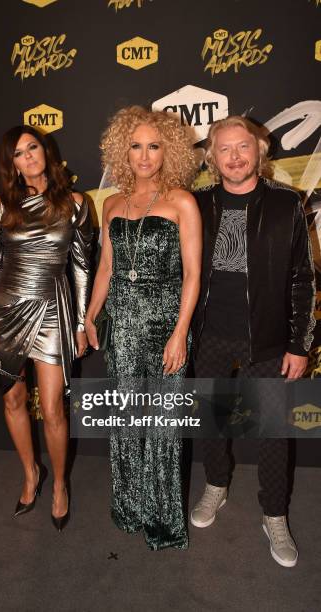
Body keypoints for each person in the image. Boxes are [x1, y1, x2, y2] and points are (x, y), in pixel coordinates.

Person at [191, 116, 316, 567]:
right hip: (208, 336)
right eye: (224, 149)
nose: (235, 157)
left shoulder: (286, 204)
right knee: (212, 420)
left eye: (243, 147)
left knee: (274, 431)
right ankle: (216, 486)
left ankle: (275, 514)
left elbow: (303, 279)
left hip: (268, 339)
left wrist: (300, 344)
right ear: (211, 157)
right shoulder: (196, 203)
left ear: (260, 151)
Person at [85, 106, 201, 550]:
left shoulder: (181, 201)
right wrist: (91, 317)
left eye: (154, 146)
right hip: (124, 323)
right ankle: (131, 505)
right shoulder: (112, 202)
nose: (145, 155)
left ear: (168, 151)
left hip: (167, 320)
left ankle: (164, 518)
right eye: (136, 146)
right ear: (123, 152)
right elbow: (106, 270)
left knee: (165, 423)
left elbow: (193, 275)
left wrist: (179, 331)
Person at [0, 125, 93, 531]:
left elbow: (81, 266)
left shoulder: (76, 203)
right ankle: (29, 474)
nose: (28, 157)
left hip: (54, 310)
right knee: (12, 400)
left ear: (46, 151)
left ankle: (58, 484)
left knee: (54, 408)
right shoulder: (0, 207)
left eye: (33, 148)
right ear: (12, 165)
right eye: (18, 154)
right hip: (6, 312)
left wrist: (79, 323)